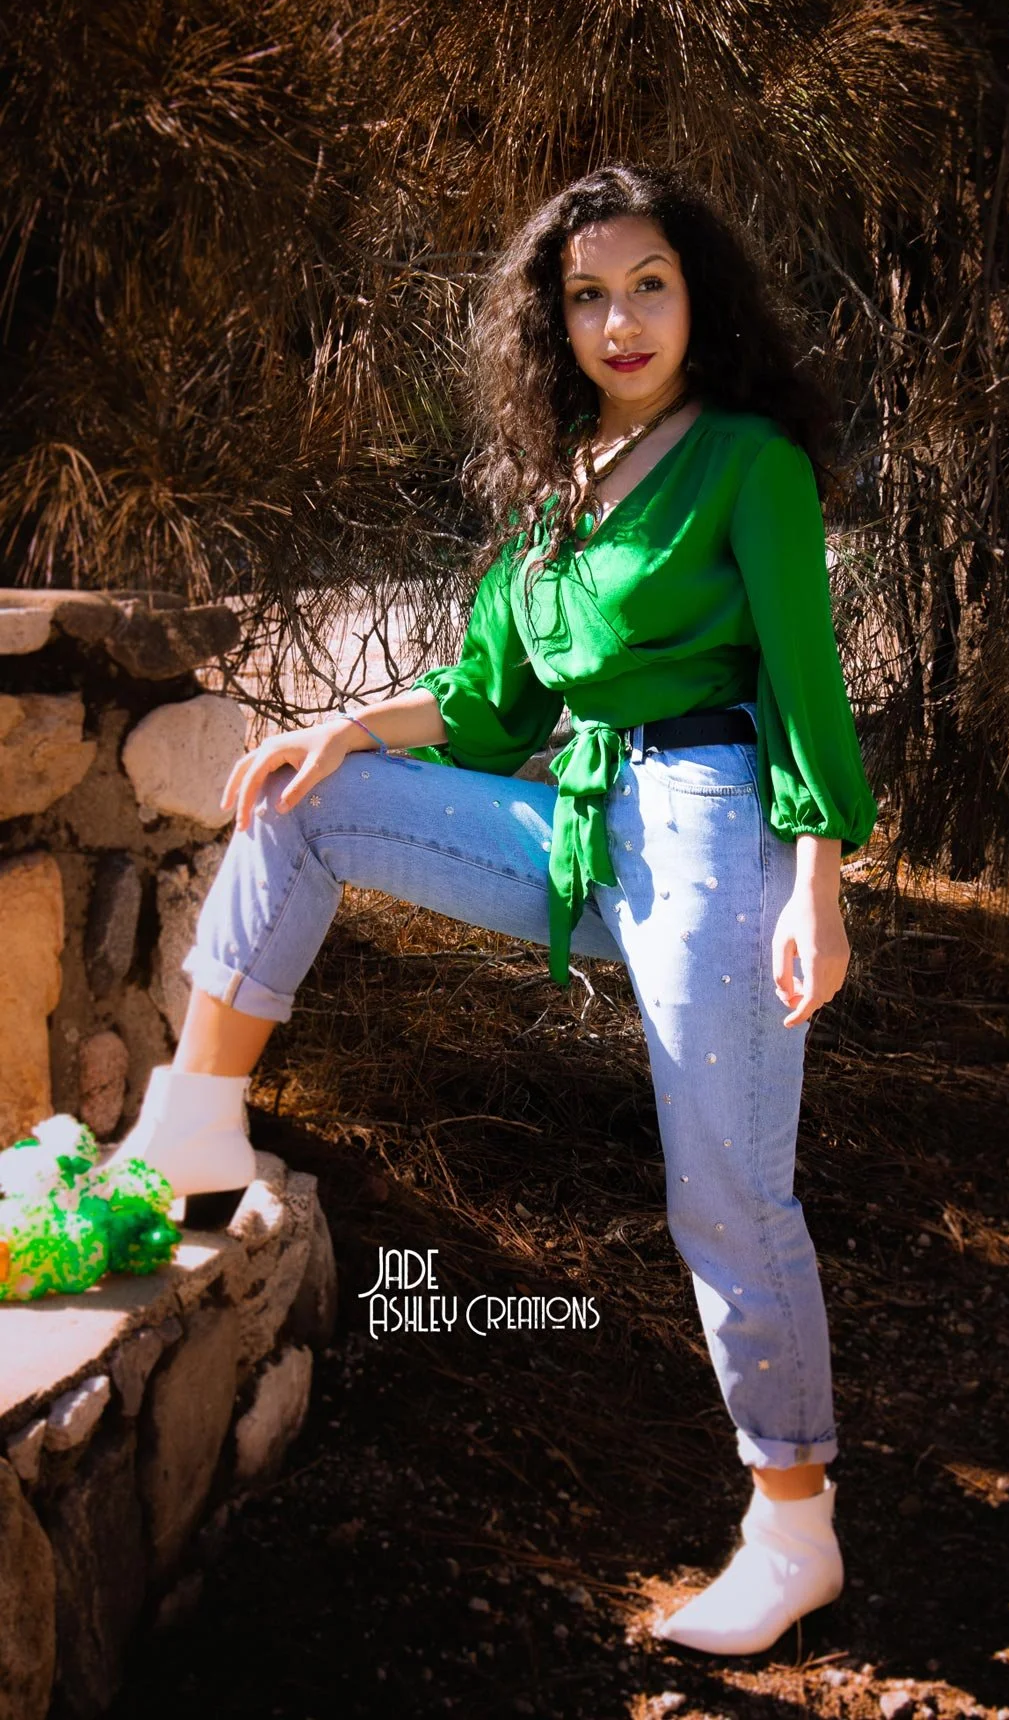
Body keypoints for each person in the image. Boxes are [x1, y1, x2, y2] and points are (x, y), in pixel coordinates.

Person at [106, 164, 878, 1657]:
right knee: (303, 800)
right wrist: (347, 727)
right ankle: (193, 1121)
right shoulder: (557, 493)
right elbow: (488, 709)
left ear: (696, 293)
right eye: (587, 294)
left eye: (648, 282)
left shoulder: (745, 462)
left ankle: (793, 1525)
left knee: (726, 1192)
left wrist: (817, 886)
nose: (621, 318)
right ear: (553, 322)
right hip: (582, 827)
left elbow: (805, 693)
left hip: (715, 829)